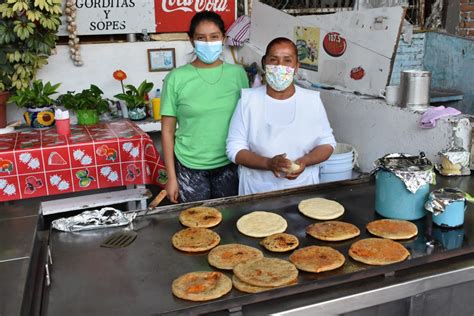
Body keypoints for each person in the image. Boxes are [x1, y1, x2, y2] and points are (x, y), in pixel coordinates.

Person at [226, 37, 336, 195]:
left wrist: (305, 161)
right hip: (257, 189)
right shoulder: (248, 101)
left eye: (287, 61)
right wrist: (267, 163)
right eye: (274, 60)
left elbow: (327, 144)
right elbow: (234, 149)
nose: (280, 66)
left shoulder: (311, 101)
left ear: (296, 66)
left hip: (303, 187)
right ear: (265, 64)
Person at [161, 11, 249, 203]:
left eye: (214, 37)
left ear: (223, 38)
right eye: (201, 38)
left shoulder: (237, 74)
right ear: (191, 40)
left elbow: (247, 120)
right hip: (189, 166)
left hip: (229, 164)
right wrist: (172, 178)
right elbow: (167, 131)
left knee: (229, 222)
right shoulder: (176, 78)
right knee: (194, 226)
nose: (208, 43)